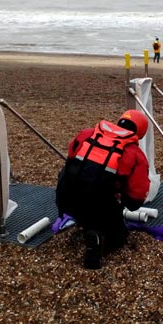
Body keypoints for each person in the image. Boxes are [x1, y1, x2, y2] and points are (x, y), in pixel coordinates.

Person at [55, 109, 150, 269]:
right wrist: (123, 202)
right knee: (119, 235)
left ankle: (83, 222)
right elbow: (136, 197)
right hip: (99, 206)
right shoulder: (135, 154)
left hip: (66, 198)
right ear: (140, 133)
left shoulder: (87, 134)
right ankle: (99, 240)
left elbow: (71, 158)